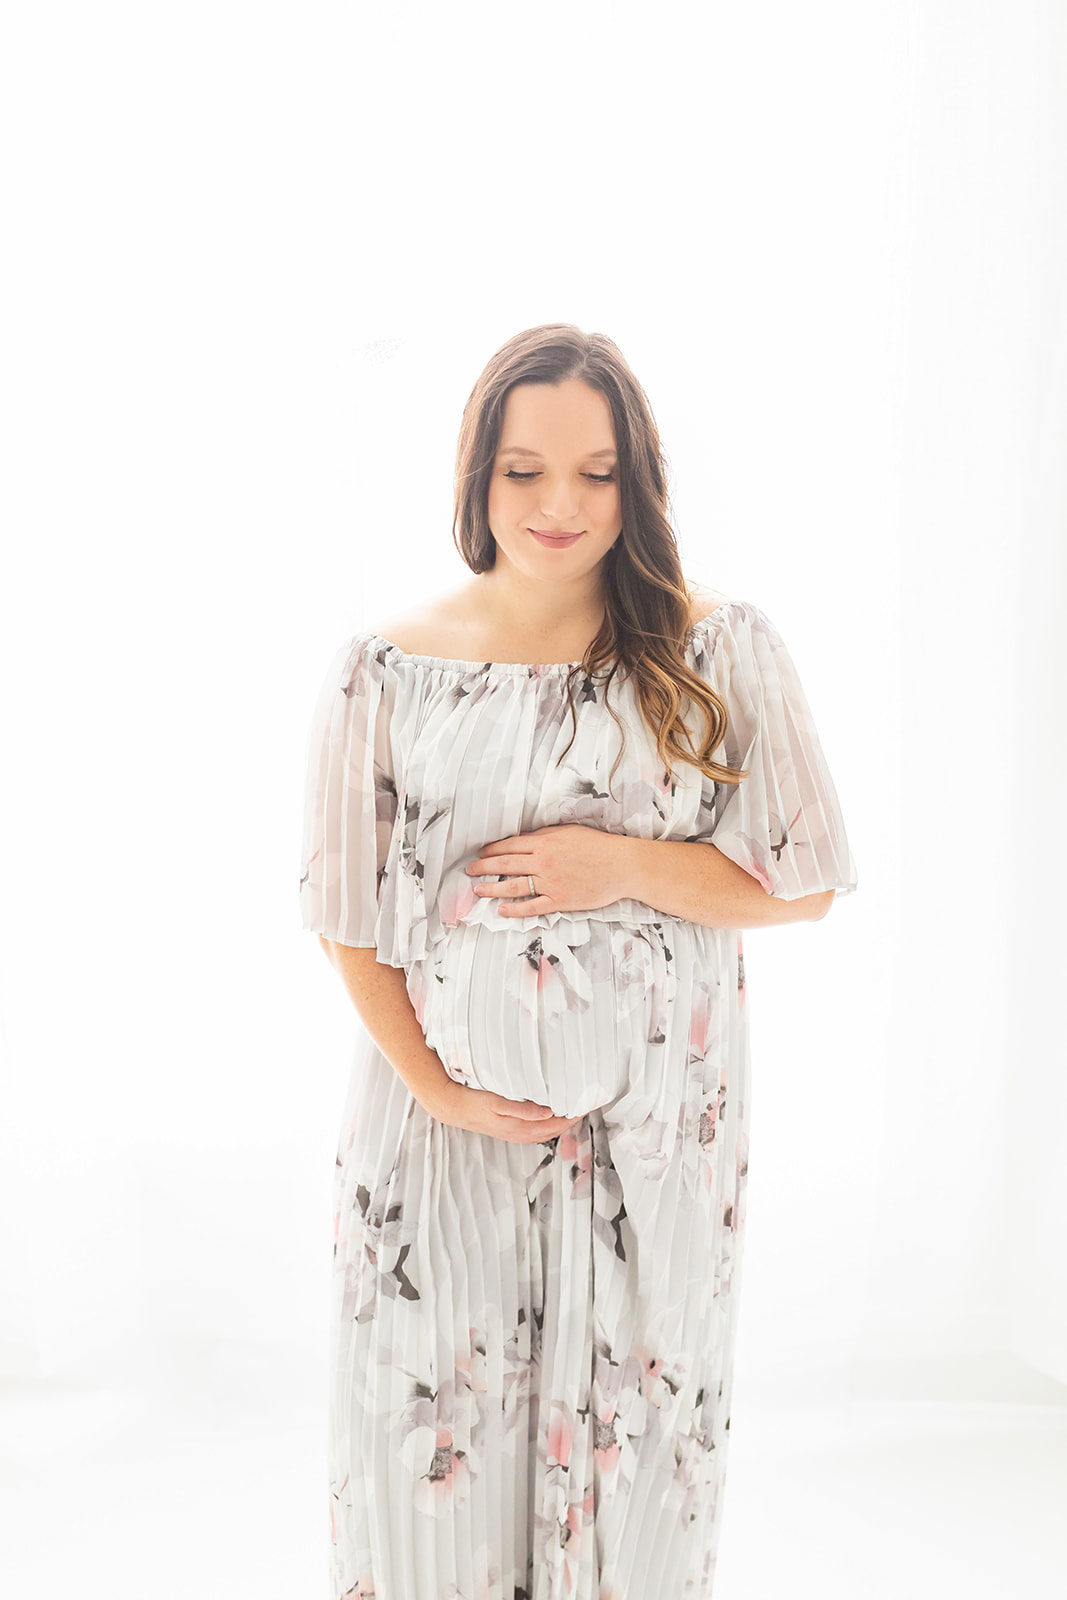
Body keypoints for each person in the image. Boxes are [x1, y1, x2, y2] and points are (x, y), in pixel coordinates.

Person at [298, 323, 858, 1600]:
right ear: (475, 477)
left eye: (597, 474)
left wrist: (620, 866)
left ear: (638, 482)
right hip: (440, 1139)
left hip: (653, 1149)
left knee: (639, 1488)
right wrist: (437, 1089)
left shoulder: (716, 651)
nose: (560, 505)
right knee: (424, 1465)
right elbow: (345, 909)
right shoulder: (385, 671)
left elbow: (807, 876)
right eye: (524, 470)